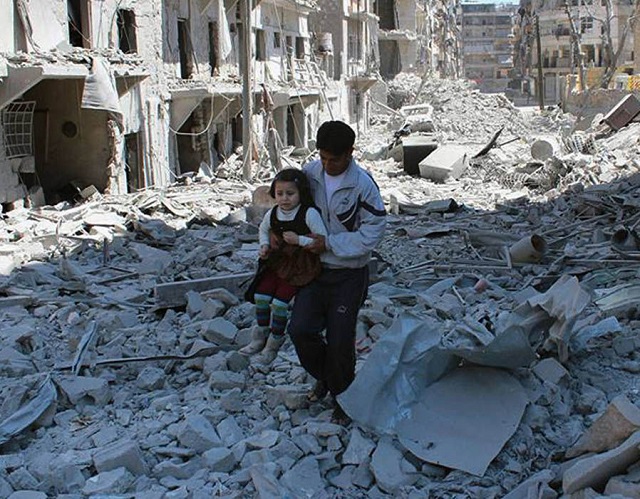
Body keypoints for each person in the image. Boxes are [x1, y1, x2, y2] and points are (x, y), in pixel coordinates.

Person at [287, 120, 386, 425]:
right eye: (324, 157)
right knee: (300, 329)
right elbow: (291, 208)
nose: (328, 165)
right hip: (314, 272)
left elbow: (374, 232)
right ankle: (328, 377)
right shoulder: (310, 175)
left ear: (350, 154)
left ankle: (345, 399)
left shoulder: (363, 186)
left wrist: (329, 244)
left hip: (348, 274)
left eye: (335, 159)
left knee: (341, 340)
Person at [241, 168, 328, 365]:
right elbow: (264, 229)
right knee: (260, 297)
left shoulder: (309, 214)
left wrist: (300, 240)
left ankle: (274, 341)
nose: (285, 198)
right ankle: (259, 336)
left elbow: (323, 239)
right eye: (280, 194)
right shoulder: (273, 213)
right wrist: (263, 245)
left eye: (290, 193)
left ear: (301, 193)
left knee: (280, 304)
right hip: (277, 262)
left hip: (300, 266)